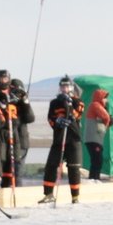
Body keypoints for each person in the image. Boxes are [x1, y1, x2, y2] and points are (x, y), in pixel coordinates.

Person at [41, 75, 84, 204]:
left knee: (74, 168)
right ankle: (48, 194)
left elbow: (77, 115)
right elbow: (50, 118)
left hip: (73, 139)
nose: (65, 88)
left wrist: (68, 104)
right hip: (59, 139)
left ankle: (75, 197)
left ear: (71, 88)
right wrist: (57, 121)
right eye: (62, 86)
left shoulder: (77, 101)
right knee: (51, 166)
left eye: (67, 86)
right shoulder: (54, 103)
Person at [83, 86, 113, 179]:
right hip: (93, 139)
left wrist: (109, 122)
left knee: (97, 160)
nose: (106, 100)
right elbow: (105, 117)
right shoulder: (95, 105)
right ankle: (94, 179)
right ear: (100, 98)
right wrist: (110, 120)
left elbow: (100, 122)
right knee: (97, 160)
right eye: (105, 98)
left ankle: (94, 178)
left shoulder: (96, 107)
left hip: (95, 139)